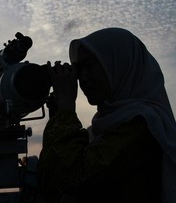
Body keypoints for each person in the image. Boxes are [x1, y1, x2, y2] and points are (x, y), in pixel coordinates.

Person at [37, 28, 176, 203]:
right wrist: (58, 114)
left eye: (90, 65)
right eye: (79, 70)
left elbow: (75, 179)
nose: (83, 78)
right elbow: (51, 183)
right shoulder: (103, 129)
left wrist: (66, 110)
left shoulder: (143, 125)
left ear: (119, 64)